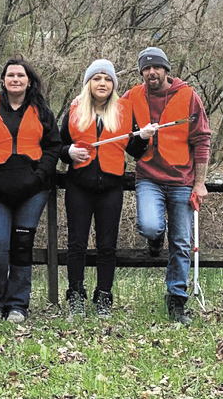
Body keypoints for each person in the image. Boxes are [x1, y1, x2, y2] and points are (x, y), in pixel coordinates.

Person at [60, 59, 155, 320]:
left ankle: (104, 295)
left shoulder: (125, 110)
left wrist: (144, 138)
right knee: (76, 244)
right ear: (88, 83)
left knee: (107, 246)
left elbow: (133, 150)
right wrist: (69, 152)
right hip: (79, 185)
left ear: (113, 84)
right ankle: (75, 295)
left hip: (111, 186)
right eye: (97, 78)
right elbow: (59, 147)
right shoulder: (75, 109)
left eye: (107, 79)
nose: (102, 83)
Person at [123, 47, 211, 325]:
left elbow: (202, 141)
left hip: (182, 180)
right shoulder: (133, 96)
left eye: (155, 68)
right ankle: (154, 240)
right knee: (150, 226)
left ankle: (176, 299)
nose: (151, 73)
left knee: (182, 242)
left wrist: (199, 183)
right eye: (145, 69)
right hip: (148, 175)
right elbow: (112, 115)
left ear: (165, 69)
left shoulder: (188, 96)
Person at [0, 57, 61, 324]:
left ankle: (18, 305)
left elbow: (53, 148)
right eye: (10, 75)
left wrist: (38, 179)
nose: (15, 79)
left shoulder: (42, 110)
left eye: (20, 75)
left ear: (28, 80)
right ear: (3, 79)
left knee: (22, 244)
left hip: (32, 190)